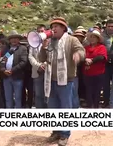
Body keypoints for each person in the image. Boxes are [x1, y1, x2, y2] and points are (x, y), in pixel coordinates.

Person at [39, 17, 85, 146]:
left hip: (66, 80)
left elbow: (81, 50)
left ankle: (65, 134)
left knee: (65, 107)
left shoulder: (72, 39)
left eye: (56, 26)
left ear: (63, 28)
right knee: (53, 107)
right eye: (52, 26)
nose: (53, 29)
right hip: (51, 80)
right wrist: (43, 48)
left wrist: (78, 55)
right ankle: (56, 131)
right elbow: (41, 58)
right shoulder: (50, 41)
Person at [0, 30, 28, 108]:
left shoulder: (22, 48)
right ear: (9, 40)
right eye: (12, 38)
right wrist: (4, 70)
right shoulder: (6, 49)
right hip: (6, 77)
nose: (14, 40)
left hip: (17, 77)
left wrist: (12, 70)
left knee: (18, 98)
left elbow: (23, 62)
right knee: (8, 98)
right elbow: (2, 61)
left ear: (19, 39)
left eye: (16, 38)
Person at [83, 29, 107, 108]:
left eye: (94, 37)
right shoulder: (86, 48)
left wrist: (91, 61)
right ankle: (90, 107)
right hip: (87, 74)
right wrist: (85, 60)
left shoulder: (102, 47)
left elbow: (101, 57)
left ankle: (96, 107)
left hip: (98, 73)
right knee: (88, 91)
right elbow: (82, 57)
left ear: (98, 39)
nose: (92, 39)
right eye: (91, 37)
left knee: (97, 92)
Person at [102, 19, 113, 107]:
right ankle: (106, 101)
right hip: (105, 63)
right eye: (109, 26)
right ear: (106, 27)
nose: (110, 28)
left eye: (112, 26)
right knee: (105, 84)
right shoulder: (102, 36)